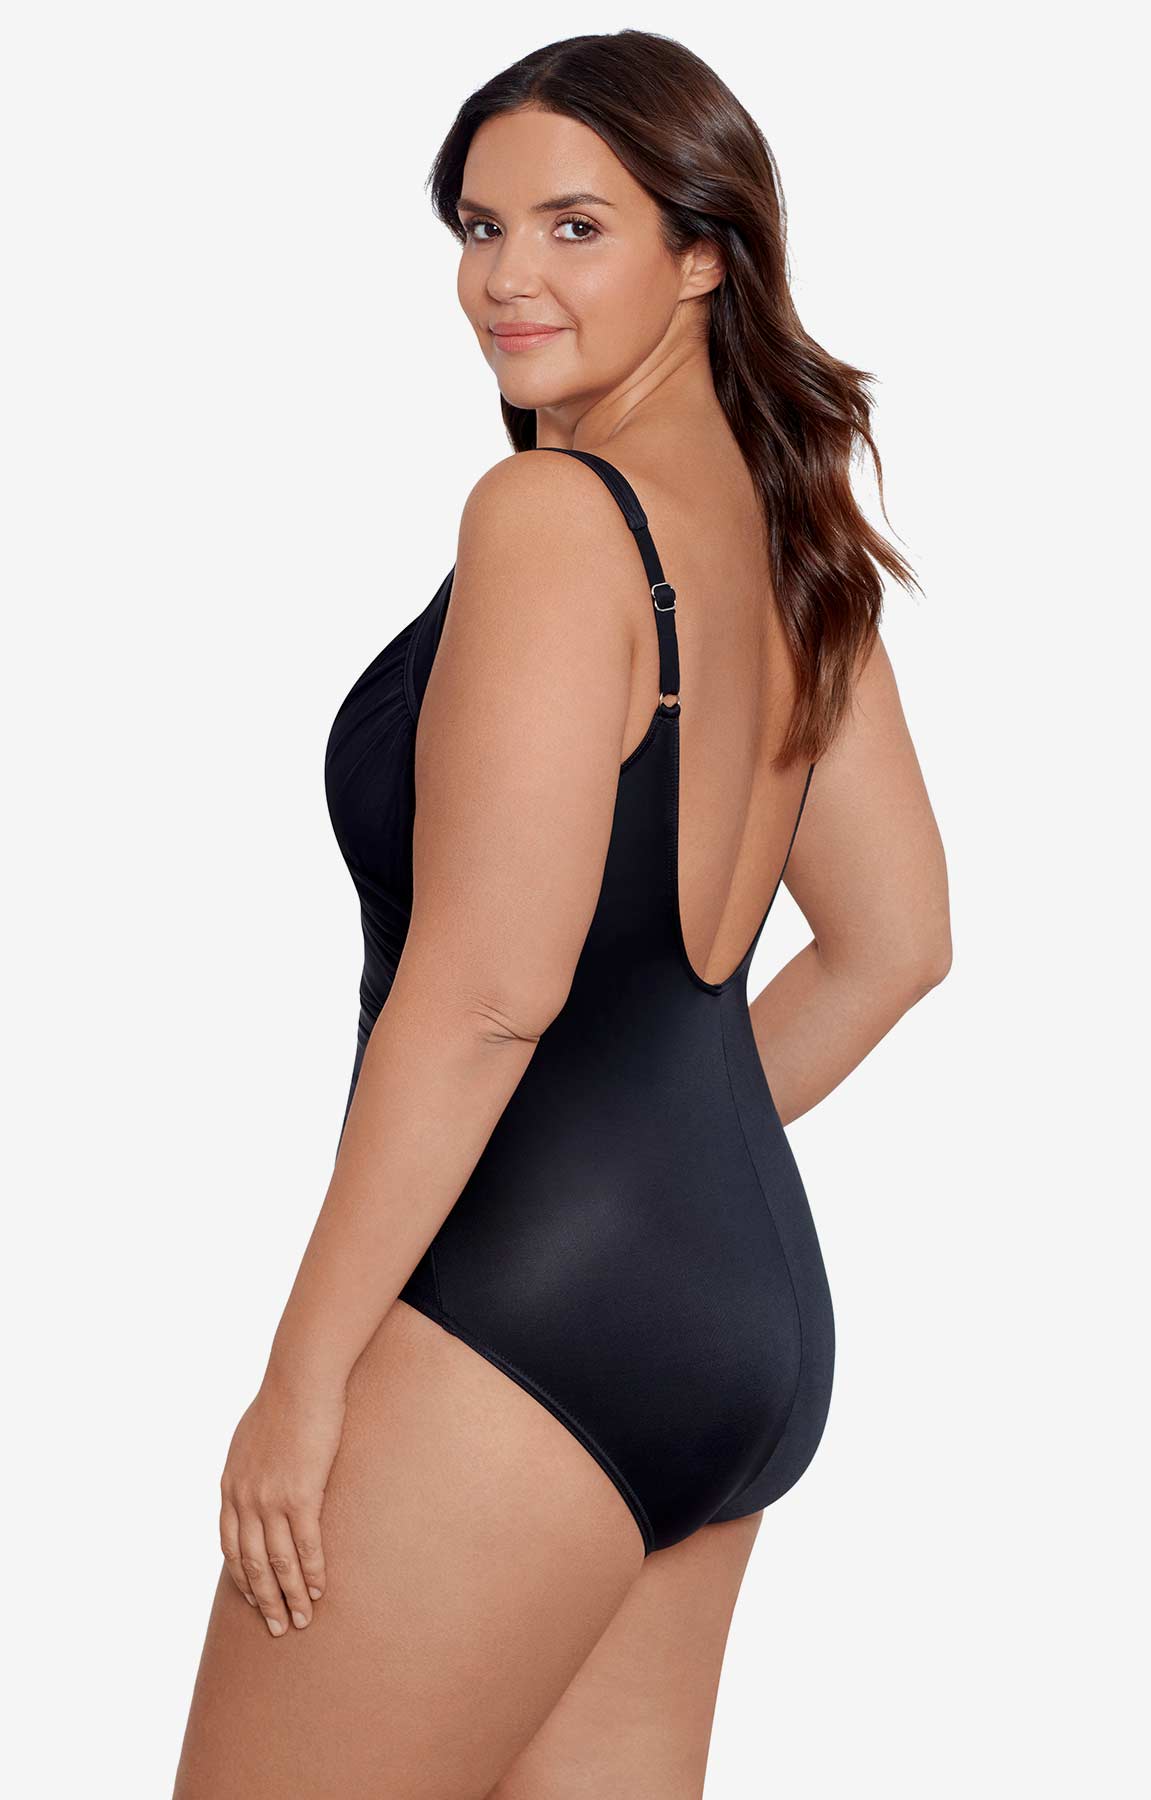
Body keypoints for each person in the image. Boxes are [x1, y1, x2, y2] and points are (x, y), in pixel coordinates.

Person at [174, 30, 951, 1799]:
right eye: (480, 226)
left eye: (575, 227)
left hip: (518, 1320)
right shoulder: (789, 537)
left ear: (706, 253)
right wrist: (663, 1171)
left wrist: (302, 1379)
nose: (505, 277)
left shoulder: (550, 517)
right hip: (740, 1317)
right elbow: (898, 940)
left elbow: (485, 997)